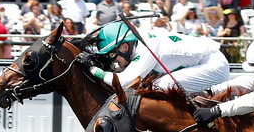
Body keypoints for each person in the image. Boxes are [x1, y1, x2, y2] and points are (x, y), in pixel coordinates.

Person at [81, 20, 230, 93]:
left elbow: (123, 82)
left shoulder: (146, 50)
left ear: (125, 47)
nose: (115, 61)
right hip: (208, 61)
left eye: (113, 55)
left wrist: (93, 69)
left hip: (214, 66)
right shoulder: (141, 40)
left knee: (157, 86)